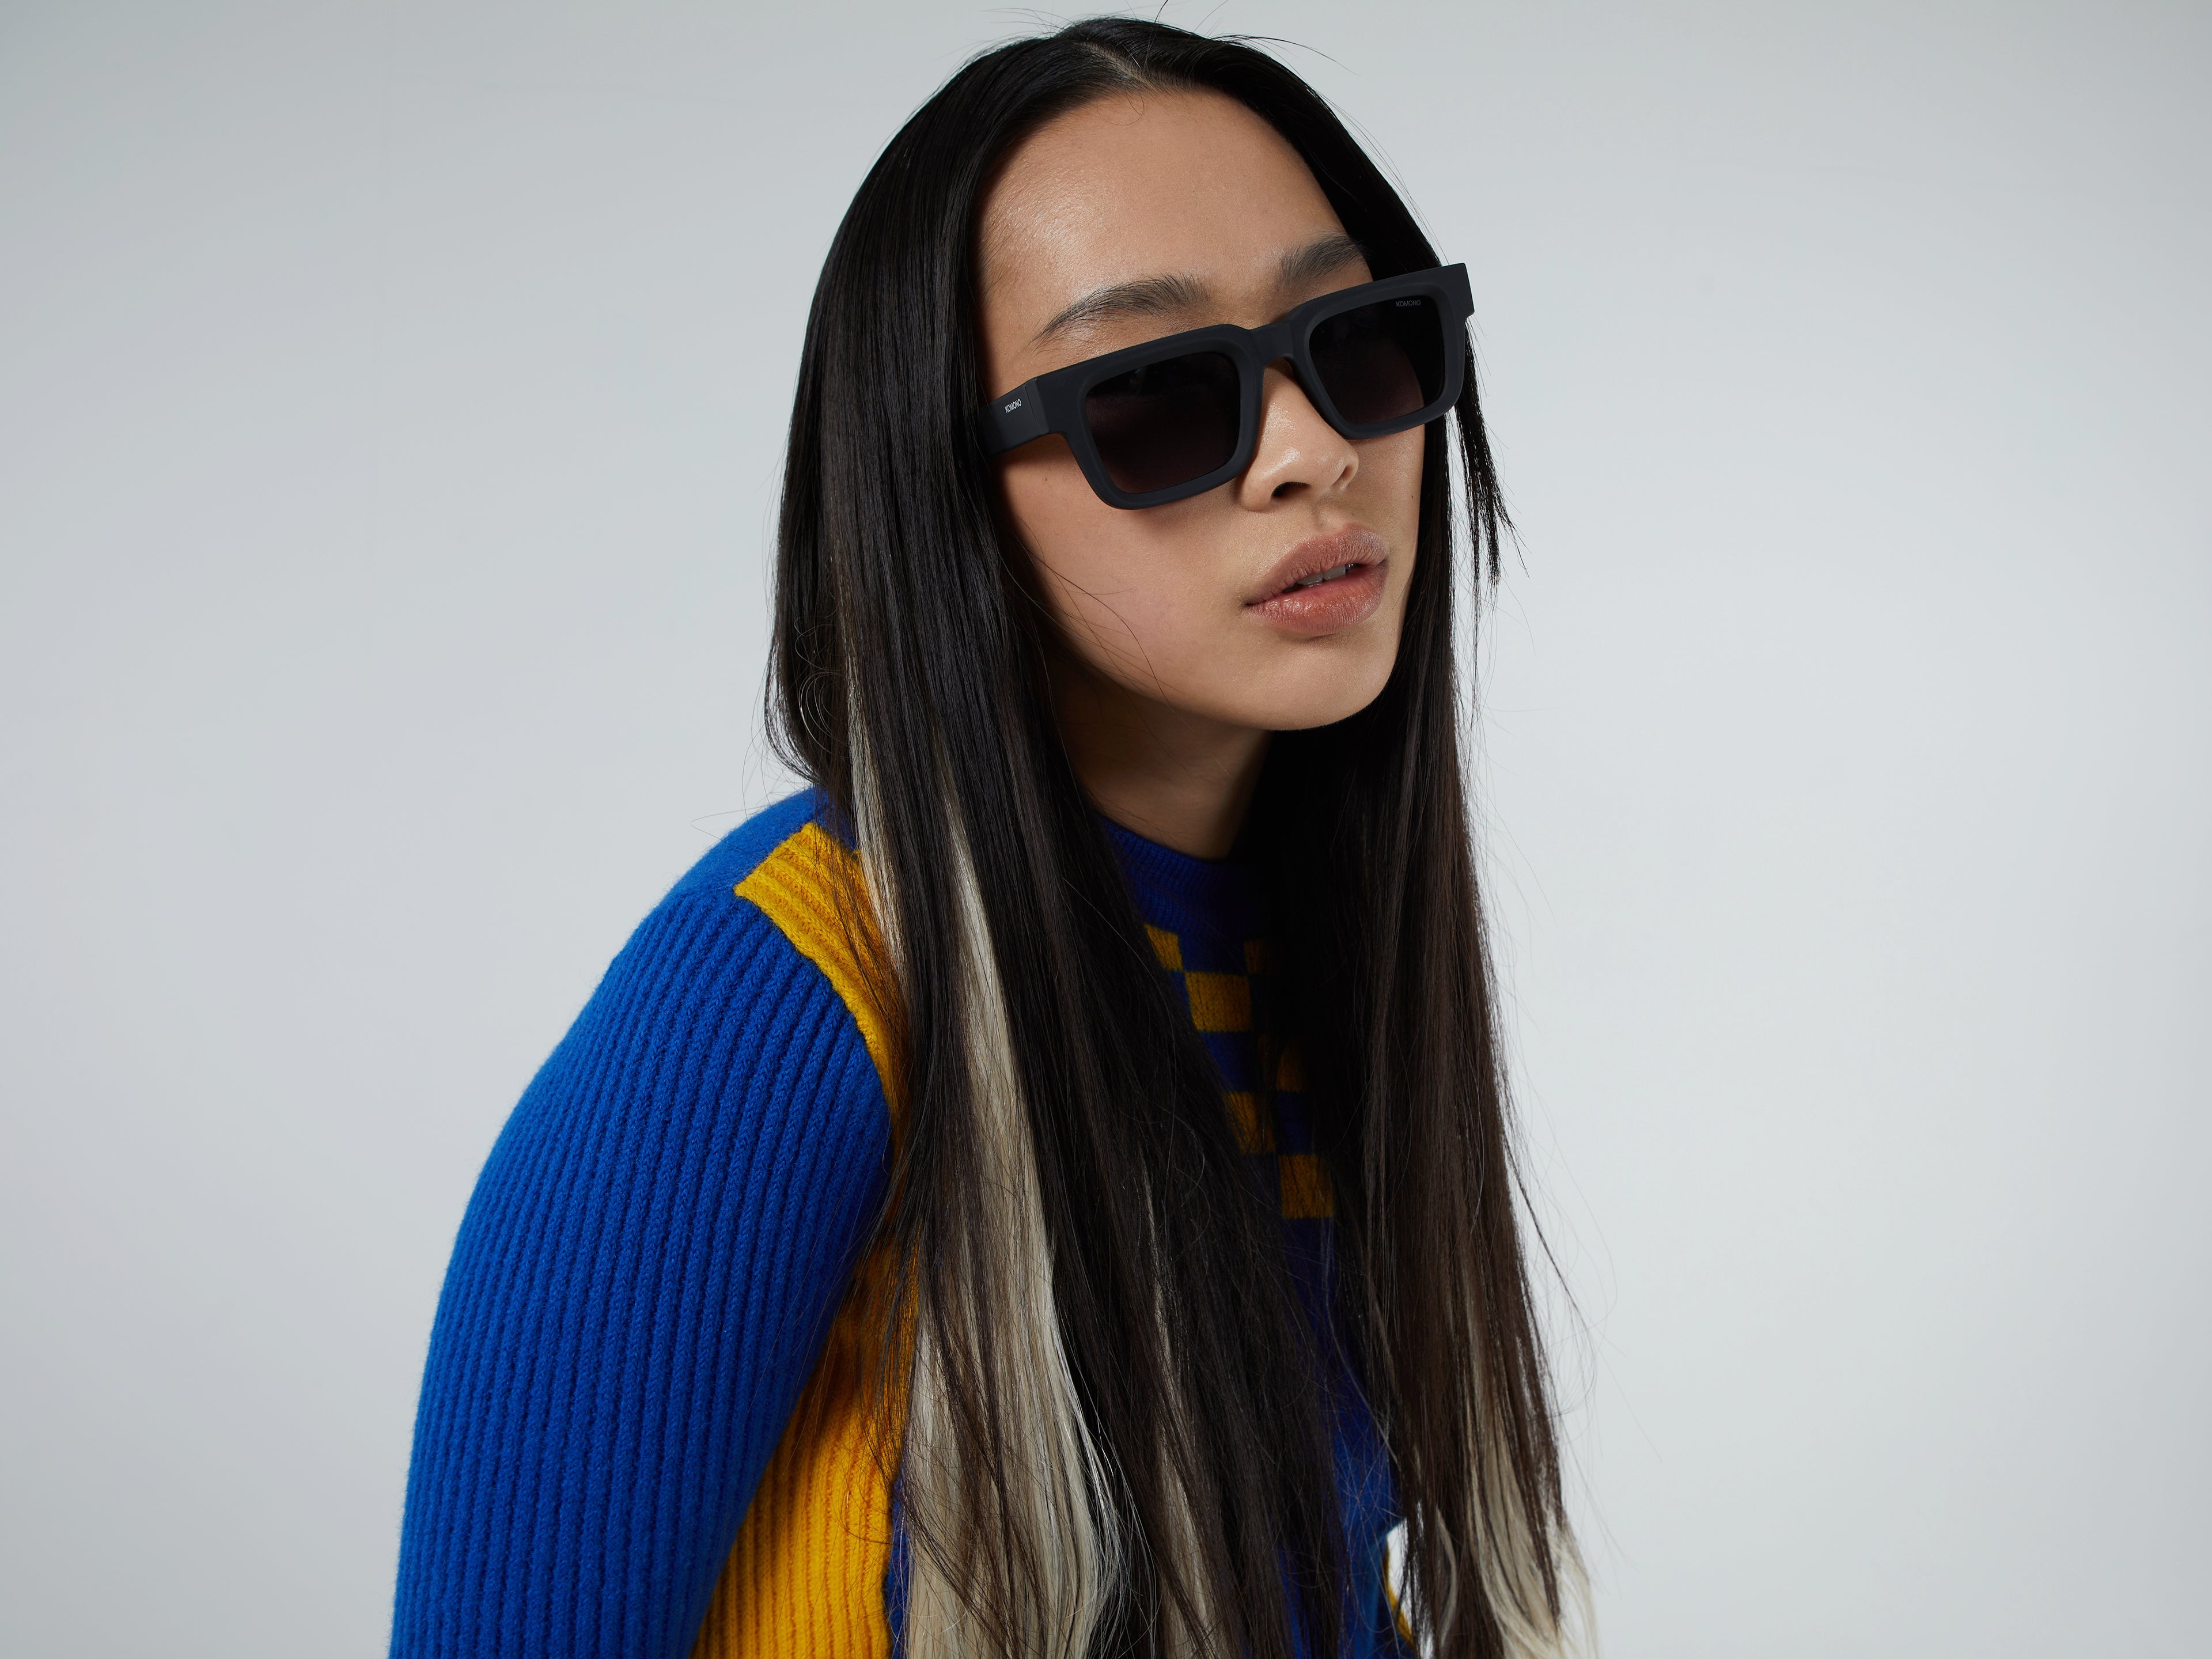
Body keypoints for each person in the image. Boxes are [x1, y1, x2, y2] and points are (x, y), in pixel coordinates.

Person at [389, 17, 1588, 1659]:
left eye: (1362, 343)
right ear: (943, 491)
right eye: (1158, 398)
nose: (1315, 452)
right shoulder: (778, 996)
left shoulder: (1322, 946)